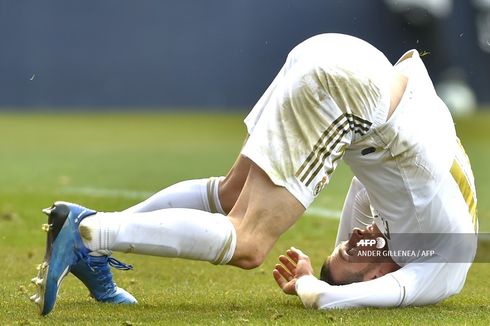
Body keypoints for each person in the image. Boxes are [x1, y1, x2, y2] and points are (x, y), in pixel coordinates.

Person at [29, 33, 477, 315]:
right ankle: (90, 233)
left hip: (336, 51)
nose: (354, 238)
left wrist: (323, 277)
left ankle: (93, 249)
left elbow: (366, 190)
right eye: (350, 250)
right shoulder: (439, 268)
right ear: (380, 276)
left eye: (346, 248)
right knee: (249, 244)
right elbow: (331, 297)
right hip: (351, 91)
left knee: (230, 195)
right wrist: (314, 283)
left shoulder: (404, 237)